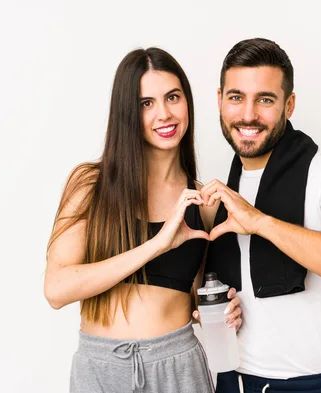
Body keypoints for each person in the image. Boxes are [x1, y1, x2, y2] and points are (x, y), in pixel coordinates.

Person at [195, 38, 321, 393]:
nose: (248, 114)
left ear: (289, 105)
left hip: (317, 385)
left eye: (265, 100)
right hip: (234, 382)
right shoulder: (223, 189)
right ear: (220, 100)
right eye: (236, 97)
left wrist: (261, 223)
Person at [44, 47, 242, 393]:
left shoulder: (205, 204)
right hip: (102, 369)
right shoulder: (91, 185)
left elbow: (201, 297)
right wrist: (157, 244)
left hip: (178, 364)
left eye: (173, 97)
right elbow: (57, 289)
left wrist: (225, 309)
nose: (164, 114)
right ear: (127, 113)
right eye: (145, 103)